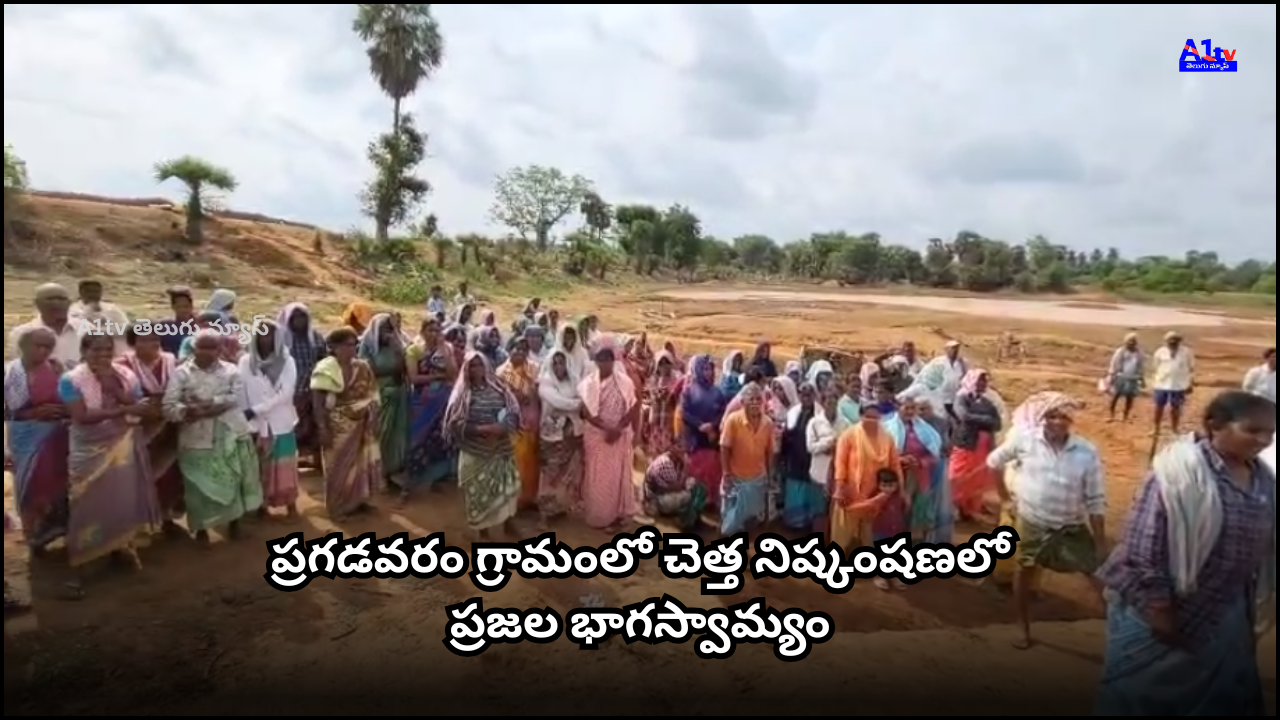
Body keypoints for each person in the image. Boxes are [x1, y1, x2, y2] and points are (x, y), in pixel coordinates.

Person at [1094, 391, 1275, 715]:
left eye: (1271, 433)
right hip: (1165, 605)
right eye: (1253, 430)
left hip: (1226, 605)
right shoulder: (1178, 473)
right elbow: (1144, 547)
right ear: (1214, 425)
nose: (1264, 440)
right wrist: (1160, 609)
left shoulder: (1263, 478)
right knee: (1145, 695)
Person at [985, 391, 1102, 650]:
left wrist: (1101, 540)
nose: (1057, 422)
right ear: (1042, 419)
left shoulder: (1086, 451)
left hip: (1070, 524)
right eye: (1051, 416)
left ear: (1070, 422)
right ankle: (1023, 628)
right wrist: (1005, 499)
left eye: (1063, 417)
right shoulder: (1025, 440)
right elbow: (994, 462)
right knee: (1024, 571)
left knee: (1096, 572)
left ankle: (1115, 629)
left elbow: (1095, 498)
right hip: (1033, 520)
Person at [59, 334, 160, 592]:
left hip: (121, 445)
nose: (103, 354)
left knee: (119, 501)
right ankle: (77, 569)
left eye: (107, 349)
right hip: (88, 450)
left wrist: (114, 388)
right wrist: (122, 411)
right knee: (84, 505)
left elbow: (137, 405)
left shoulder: (125, 375)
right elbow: (81, 416)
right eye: (96, 349)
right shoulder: (71, 380)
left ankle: (117, 549)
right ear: (84, 350)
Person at [164, 330, 262, 543]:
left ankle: (235, 523)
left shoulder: (231, 370)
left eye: (212, 348)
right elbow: (169, 406)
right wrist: (188, 410)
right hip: (195, 438)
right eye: (202, 347)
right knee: (198, 486)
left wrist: (205, 407)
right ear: (193, 348)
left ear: (220, 349)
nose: (207, 352)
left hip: (231, 432)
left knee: (234, 479)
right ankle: (201, 530)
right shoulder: (181, 373)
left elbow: (235, 397)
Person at [4, 327, 70, 553]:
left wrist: (61, 410)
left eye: (48, 346)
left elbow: (73, 398)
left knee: (59, 486)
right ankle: (34, 536)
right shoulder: (9, 373)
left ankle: (60, 529)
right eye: (37, 345)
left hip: (57, 438)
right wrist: (30, 414)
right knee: (30, 486)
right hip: (25, 438)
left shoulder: (56, 368)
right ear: (23, 346)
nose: (43, 351)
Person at [116, 322, 184, 533]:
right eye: (144, 339)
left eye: (155, 339)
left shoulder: (171, 361)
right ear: (132, 343)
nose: (152, 344)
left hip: (169, 428)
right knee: (140, 474)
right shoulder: (122, 365)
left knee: (170, 475)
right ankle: (139, 522)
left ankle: (166, 517)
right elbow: (116, 397)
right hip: (139, 430)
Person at [444, 351, 520, 538]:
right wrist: (482, 429)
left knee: (507, 491)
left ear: (486, 366)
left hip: (500, 449)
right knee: (478, 494)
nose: (477, 369)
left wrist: (502, 428)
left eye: (480, 365)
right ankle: (483, 532)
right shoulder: (462, 394)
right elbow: (454, 424)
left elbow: (513, 412)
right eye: (472, 366)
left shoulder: (499, 388)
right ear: (466, 369)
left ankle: (508, 524)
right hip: (475, 452)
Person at [310, 328, 381, 518]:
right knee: (337, 467)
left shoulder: (362, 367)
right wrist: (322, 428)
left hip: (361, 424)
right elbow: (317, 401)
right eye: (348, 345)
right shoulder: (325, 369)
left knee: (360, 464)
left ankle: (359, 500)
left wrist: (373, 414)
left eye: (354, 344)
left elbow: (372, 393)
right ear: (334, 347)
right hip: (337, 425)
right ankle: (336, 507)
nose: (353, 349)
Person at [579, 336, 642, 530]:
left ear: (613, 361)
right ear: (596, 361)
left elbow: (632, 406)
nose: (605, 362)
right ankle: (597, 515)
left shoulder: (625, 383)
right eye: (601, 359)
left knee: (615, 477)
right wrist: (608, 429)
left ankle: (615, 515)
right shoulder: (589, 383)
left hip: (618, 438)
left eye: (608, 359)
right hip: (597, 437)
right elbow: (585, 412)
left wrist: (620, 428)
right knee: (596, 477)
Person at [238, 320, 300, 517]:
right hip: (255, 424)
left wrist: (256, 409)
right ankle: (261, 505)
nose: (266, 339)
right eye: (262, 334)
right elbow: (241, 391)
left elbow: (286, 392)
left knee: (285, 466)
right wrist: (246, 414)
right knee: (258, 467)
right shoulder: (246, 361)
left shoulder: (287, 360)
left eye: (271, 335)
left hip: (281, 420)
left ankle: (291, 506)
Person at [831, 403, 900, 550]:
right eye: (868, 417)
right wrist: (839, 487)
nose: (871, 420)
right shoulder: (848, 435)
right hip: (851, 491)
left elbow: (894, 464)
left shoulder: (887, 438)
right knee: (843, 529)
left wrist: (899, 488)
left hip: (877, 492)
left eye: (875, 417)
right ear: (860, 416)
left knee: (869, 529)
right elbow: (840, 463)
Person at [404, 317, 457, 496]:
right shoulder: (414, 350)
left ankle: (434, 479)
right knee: (417, 440)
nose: (434, 334)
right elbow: (414, 378)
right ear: (422, 332)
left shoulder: (446, 349)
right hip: (422, 402)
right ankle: (410, 483)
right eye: (430, 330)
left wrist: (443, 349)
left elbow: (453, 374)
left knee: (440, 441)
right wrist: (438, 378)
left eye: (437, 330)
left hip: (442, 402)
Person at [884, 396, 945, 542]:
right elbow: (881, 454)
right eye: (906, 407)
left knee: (919, 509)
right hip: (895, 475)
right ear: (898, 408)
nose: (910, 411)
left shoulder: (924, 429)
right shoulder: (887, 428)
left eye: (913, 408)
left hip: (920, 475)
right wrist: (899, 460)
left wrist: (921, 463)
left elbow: (934, 455)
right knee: (897, 509)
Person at [358, 314, 408, 491]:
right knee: (381, 435)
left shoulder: (396, 346)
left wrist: (397, 347)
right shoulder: (368, 346)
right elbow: (370, 370)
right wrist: (394, 369)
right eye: (384, 329)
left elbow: (406, 368)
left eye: (390, 329)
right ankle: (377, 475)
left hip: (398, 396)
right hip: (378, 397)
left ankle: (392, 471)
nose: (387, 333)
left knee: (397, 436)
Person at [277, 303, 328, 470]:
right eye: (295, 317)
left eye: (303, 317)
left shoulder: (316, 337)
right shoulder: (280, 340)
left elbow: (324, 360)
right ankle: (288, 465)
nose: (300, 321)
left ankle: (317, 461)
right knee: (294, 428)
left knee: (316, 425)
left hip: (315, 388)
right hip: (290, 390)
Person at [537, 349, 584, 527]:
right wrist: (574, 404)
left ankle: (557, 508)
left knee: (566, 473)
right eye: (555, 363)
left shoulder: (574, 381)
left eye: (561, 362)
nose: (558, 366)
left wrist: (571, 405)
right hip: (551, 437)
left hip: (571, 436)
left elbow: (581, 399)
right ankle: (543, 516)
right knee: (549, 475)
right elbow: (558, 402)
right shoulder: (545, 383)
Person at [719, 383, 775, 534]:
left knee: (752, 516)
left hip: (758, 477)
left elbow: (769, 452)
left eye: (759, 399)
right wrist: (726, 474)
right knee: (728, 526)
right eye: (751, 399)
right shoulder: (732, 420)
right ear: (743, 402)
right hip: (736, 476)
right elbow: (724, 447)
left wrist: (769, 476)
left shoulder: (768, 423)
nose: (756, 402)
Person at [949, 369, 1002, 521]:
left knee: (977, 477)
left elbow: (997, 424)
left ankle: (970, 508)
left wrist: (979, 419)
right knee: (958, 475)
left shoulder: (987, 402)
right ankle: (954, 505)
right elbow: (964, 417)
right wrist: (986, 419)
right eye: (979, 380)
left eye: (984, 381)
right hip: (966, 443)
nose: (982, 384)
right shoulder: (962, 397)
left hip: (983, 446)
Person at [497, 337, 541, 510]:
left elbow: (537, 394)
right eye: (517, 348)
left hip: (532, 418)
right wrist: (516, 397)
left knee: (532, 460)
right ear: (510, 350)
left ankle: (529, 497)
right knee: (516, 459)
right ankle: (515, 499)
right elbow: (499, 397)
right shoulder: (501, 372)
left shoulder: (533, 369)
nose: (521, 352)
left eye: (524, 349)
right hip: (512, 420)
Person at [681, 354, 727, 510]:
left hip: (712, 438)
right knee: (696, 473)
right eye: (705, 368)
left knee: (712, 469)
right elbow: (685, 413)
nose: (708, 372)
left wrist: (712, 426)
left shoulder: (718, 392)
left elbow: (722, 413)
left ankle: (711, 500)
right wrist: (700, 425)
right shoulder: (688, 391)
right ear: (698, 370)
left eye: (710, 369)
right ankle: (695, 504)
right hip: (695, 439)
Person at [781, 382, 823, 531]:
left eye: (809, 394)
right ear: (798, 395)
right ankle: (794, 523)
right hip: (794, 458)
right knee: (795, 489)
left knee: (809, 490)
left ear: (814, 395)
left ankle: (808, 522)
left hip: (811, 459)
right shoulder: (793, 412)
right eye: (802, 394)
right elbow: (786, 435)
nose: (805, 397)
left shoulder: (820, 414)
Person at [10, 283, 80, 367]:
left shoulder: (88, 328)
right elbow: (18, 368)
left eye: (62, 299)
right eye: (50, 299)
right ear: (37, 303)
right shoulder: (22, 333)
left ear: (69, 303)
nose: (56, 303)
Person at [644, 444, 707, 531]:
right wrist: (685, 466)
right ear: (671, 449)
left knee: (698, 487)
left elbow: (682, 481)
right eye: (678, 447)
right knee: (691, 495)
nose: (683, 451)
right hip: (658, 500)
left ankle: (692, 519)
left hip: (666, 493)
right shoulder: (666, 463)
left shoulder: (674, 459)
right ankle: (685, 521)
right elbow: (678, 486)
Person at [804, 390, 839, 533]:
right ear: (823, 403)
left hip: (837, 475)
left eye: (834, 401)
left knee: (834, 512)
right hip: (819, 473)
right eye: (828, 401)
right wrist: (828, 444)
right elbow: (810, 447)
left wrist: (837, 448)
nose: (831, 404)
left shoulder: (845, 423)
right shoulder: (814, 422)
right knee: (819, 510)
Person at [869, 468, 910, 590]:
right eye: (884, 485)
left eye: (891, 485)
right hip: (881, 531)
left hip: (896, 531)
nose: (888, 488)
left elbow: (905, 510)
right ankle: (879, 577)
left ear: (897, 485)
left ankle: (894, 576)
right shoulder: (875, 497)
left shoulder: (900, 497)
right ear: (878, 485)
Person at [69, 279, 132, 355]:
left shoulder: (111, 308)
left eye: (96, 292)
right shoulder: (74, 310)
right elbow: (80, 331)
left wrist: (101, 330)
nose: (93, 295)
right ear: (81, 292)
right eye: (89, 291)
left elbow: (126, 328)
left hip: (115, 350)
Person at [1150, 330, 1194, 436]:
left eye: (1175, 340)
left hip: (1178, 385)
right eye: (1170, 341)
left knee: (1176, 408)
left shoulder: (1186, 352)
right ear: (1166, 341)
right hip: (1161, 384)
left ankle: (1174, 429)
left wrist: (1190, 383)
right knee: (1158, 407)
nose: (1173, 342)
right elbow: (1155, 367)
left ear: (1179, 341)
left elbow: (1191, 368)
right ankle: (1156, 429)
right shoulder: (1160, 352)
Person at [912, 340, 968, 421]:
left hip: (955, 397)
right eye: (952, 348)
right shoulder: (938, 362)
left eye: (956, 348)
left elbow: (967, 377)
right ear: (946, 350)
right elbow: (925, 375)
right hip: (939, 396)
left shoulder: (962, 363)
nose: (955, 351)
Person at [642, 351, 681, 460]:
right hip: (655, 424)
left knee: (667, 454)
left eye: (666, 363)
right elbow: (649, 397)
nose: (664, 366)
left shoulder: (676, 380)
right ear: (657, 366)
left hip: (668, 424)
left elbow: (678, 399)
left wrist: (669, 394)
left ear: (671, 364)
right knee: (655, 453)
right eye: (661, 363)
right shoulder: (654, 380)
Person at [1107, 333, 1145, 423]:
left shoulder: (1139, 353)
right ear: (1126, 342)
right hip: (1120, 376)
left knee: (1129, 399)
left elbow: (1141, 366)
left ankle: (1125, 417)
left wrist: (1141, 378)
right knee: (1115, 396)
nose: (1131, 343)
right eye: (1129, 341)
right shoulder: (1120, 351)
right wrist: (1112, 375)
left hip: (1133, 378)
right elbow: (1114, 363)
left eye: (1133, 341)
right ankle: (1111, 415)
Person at [153, 286, 197, 355]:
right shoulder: (164, 326)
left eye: (186, 306)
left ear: (191, 306)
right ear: (173, 307)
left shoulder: (200, 325)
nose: (183, 310)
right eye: (179, 307)